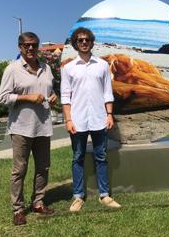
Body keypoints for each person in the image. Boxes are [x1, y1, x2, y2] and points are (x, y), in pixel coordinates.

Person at [0, 32, 58, 225]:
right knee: (19, 170)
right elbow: (3, 98)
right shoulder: (12, 69)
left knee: (43, 167)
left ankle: (38, 203)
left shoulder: (46, 68)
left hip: (43, 126)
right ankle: (18, 209)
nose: (31, 48)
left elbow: (49, 90)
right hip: (21, 128)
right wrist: (26, 97)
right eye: (27, 45)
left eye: (34, 45)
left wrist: (54, 95)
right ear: (20, 47)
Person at [61, 27, 121, 212]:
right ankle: (78, 196)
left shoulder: (102, 65)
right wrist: (68, 119)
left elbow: (107, 92)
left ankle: (105, 195)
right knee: (77, 157)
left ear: (92, 42)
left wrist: (109, 114)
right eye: (80, 40)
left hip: (99, 118)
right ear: (75, 43)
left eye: (87, 39)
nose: (84, 42)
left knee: (101, 157)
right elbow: (65, 96)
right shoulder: (68, 68)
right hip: (77, 120)